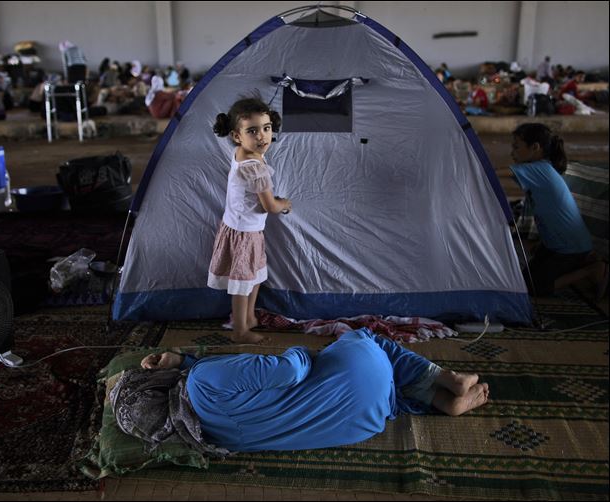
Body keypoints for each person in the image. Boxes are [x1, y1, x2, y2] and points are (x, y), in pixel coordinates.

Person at [126, 328, 490, 453]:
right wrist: (302, 351)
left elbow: (223, 394)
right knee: (365, 339)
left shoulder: (204, 438)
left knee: (375, 382)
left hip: (367, 421)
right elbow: (290, 371)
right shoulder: (200, 380)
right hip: (359, 376)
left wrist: (182, 362)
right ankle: (448, 378)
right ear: (154, 386)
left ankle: (441, 399)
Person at [208, 96, 292, 344]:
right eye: (252, 131)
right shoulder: (255, 167)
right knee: (243, 283)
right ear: (237, 136)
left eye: (266, 128)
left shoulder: (242, 153)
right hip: (244, 232)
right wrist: (284, 204)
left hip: (240, 227)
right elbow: (270, 206)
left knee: (253, 276)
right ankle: (240, 329)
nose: (262, 136)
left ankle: (249, 317)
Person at [509, 123, 608, 298]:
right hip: (555, 245)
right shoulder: (541, 168)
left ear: (535, 147)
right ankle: (582, 264)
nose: (512, 153)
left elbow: (494, 173)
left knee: (533, 288)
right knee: (523, 281)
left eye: (516, 147)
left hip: (570, 248)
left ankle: (591, 270)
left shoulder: (538, 169)